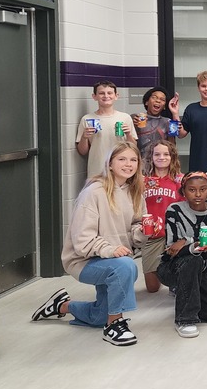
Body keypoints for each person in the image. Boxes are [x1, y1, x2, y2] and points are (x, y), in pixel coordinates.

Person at [33, 142, 147, 346]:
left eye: (133, 160)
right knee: (126, 267)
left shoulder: (135, 192)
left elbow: (134, 229)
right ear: (110, 163)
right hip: (84, 260)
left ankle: (62, 306)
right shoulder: (94, 192)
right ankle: (114, 325)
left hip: (113, 260)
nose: (128, 164)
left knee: (98, 316)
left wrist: (145, 231)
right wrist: (111, 250)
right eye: (122, 159)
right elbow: (82, 240)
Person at [158, 171, 207, 338]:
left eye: (203, 189)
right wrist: (195, 246)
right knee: (192, 260)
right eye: (192, 190)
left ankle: (188, 292)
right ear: (183, 191)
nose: (198, 194)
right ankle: (185, 319)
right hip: (171, 267)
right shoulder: (174, 210)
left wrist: (187, 240)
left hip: (202, 268)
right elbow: (172, 249)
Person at [140, 140, 183, 293]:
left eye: (166, 154)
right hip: (152, 236)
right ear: (150, 157)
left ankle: (176, 277)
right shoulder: (142, 180)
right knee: (152, 288)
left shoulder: (179, 180)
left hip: (173, 235)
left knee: (175, 282)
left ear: (172, 157)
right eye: (157, 154)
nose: (161, 157)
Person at [75, 80, 137, 178]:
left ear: (116, 96)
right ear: (94, 96)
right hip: (96, 170)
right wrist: (84, 137)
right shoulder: (87, 119)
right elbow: (83, 152)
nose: (106, 96)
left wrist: (128, 134)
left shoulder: (125, 118)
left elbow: (133, 147)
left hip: (121, 169)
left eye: (109, 93)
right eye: (101, 93)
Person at [132, 86, 180, 156]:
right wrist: (132, 125)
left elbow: (173, 147)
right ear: (147, 102)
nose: (158, 101)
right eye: (154, 97)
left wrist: (175, 114)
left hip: (160, 161)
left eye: (162, 99)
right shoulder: (135, 118)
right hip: (141, 162)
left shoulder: (169, 122)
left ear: (164, 107)